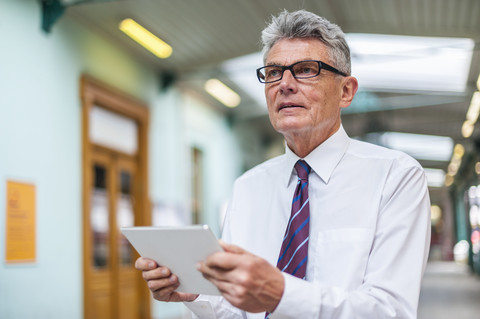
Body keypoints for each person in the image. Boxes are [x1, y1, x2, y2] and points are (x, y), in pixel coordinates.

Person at [135, 9, 431, 319]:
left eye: (306, 70)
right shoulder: (248, 186)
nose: (285, 84)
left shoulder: (395, 177)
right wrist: (197, 295)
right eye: (274, 72)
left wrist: (280, 294)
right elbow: (237, 312)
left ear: (346, 91)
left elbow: (390, 311)